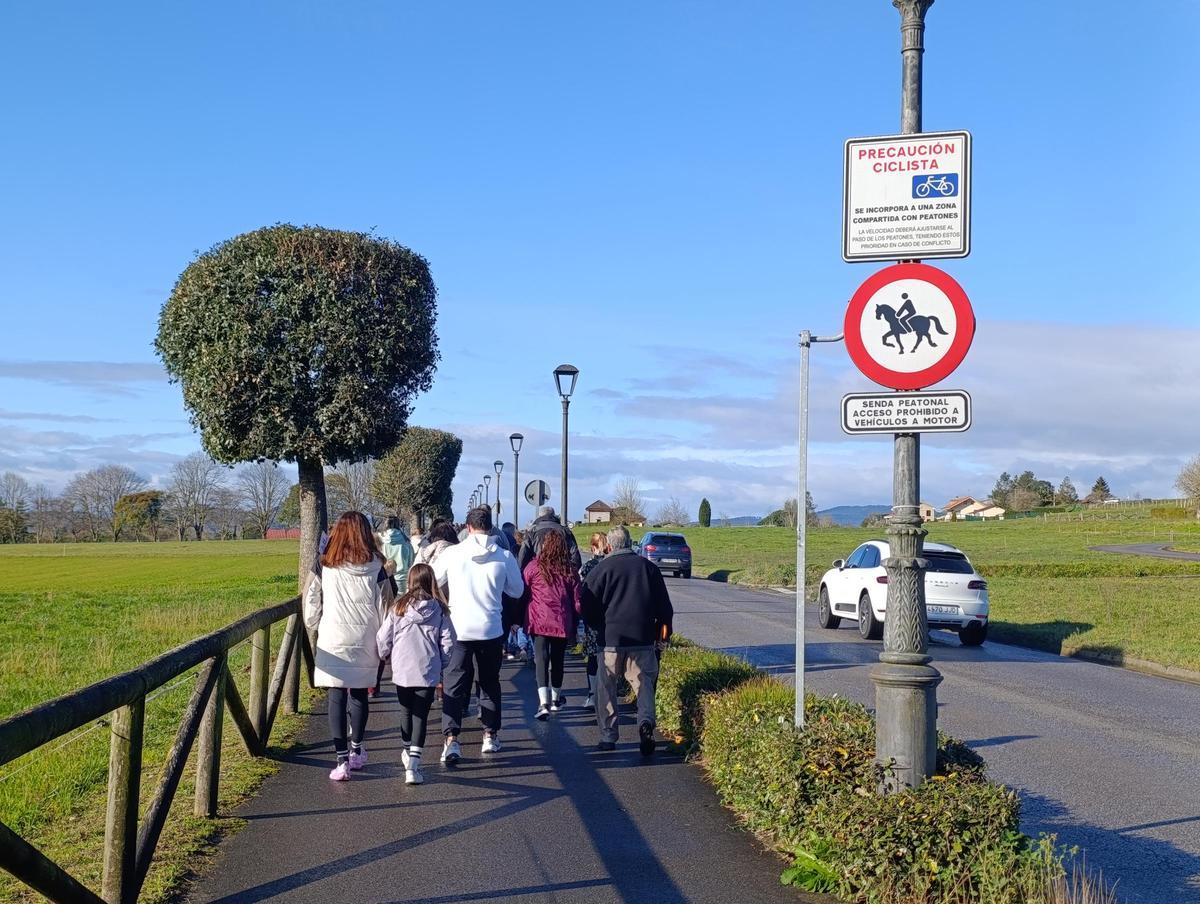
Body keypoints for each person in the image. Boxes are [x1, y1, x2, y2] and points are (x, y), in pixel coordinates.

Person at [303, 511, 394, 781]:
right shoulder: (376, 566)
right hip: (365, 637)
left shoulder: (325, 564)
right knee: (359, 694)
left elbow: (311, 596)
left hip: (334, 635)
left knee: (336, 695)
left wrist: (314, 622)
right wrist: (385, 639)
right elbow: (386, 605)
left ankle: (341, 760)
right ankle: (357, 749)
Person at [432, 506, 524, 763]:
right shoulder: (504, 556)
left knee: (454, 684)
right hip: (491, 628)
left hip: (459, 628)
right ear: (490, 527)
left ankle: (451, 740)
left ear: (468, 527)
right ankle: (490, 735)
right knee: (489, 682)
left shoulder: (452, 554)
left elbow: (432, 581)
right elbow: (517, 591)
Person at [581, 525, 673, 755]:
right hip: (643, 638)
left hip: (610, 639)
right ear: (630, 543)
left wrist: (598, 627)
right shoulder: (649, 568)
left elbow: (587, 605)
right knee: (644, 685)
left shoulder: (600, 570)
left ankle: (608, 735)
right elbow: (665, 607)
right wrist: (663, 634)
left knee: (606, 687)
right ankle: (646, 722)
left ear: (609, 546)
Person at [376, 563, 455, 786]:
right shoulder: (439, 609)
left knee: (406, 711)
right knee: (421, 715)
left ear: (410, 581)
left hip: (402, 668)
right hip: (428, 670)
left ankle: (406, 749)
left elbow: (383, 637)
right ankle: (414, 764)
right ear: (431, 582)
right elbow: (449, 642)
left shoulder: (398, 607)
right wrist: (441, 664)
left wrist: (384, 655)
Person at [523, 530, 582, 720]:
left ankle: (543, 703)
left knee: (541, 659)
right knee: (558, 660)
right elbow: (577, 601)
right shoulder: (569, 569)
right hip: (561, 621)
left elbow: (524, 590)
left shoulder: (534, 566)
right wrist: (576, 622)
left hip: (538, 620)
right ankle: (556, 700)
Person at [578, 531, 611, 710]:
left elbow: (582, 593)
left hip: (593, 619)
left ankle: (592, 694)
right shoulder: (612, 564)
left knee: (592, 657)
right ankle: (606, 694)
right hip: (611, 617)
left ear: (592, 547)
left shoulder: (588, 567)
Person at [517, 506, 581, 573]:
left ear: (539, 516)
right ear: (553, 515)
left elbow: (523, 555)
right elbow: (575, 555)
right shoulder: (565, 531)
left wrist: (524, 573)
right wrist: (571, 573)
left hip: (537, 572)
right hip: (561, 572)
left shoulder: (532, 532)